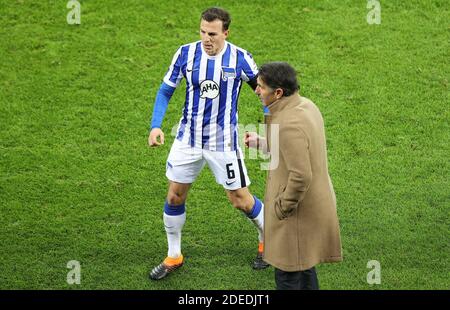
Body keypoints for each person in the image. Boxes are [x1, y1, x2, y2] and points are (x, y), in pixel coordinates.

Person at [148, 7, 268, 280]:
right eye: (203, 32)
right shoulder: (185, 54)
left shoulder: (240, 58)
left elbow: (264, 92)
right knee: (174, 195)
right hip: (187, 139)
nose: (206, 39)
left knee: (240, 200)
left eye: (212, 34)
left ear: (226, 32)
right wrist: (156, 125)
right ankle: (174, 255)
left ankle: (268, 237)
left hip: (223, 142)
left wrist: (270, 129)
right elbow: (166, 90)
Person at [244, 62, 342, 290]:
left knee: (288, 276)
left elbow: (300, 175)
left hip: (296, 213)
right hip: (313, 206)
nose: (257, 91)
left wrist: (282, 207)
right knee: (305, 267)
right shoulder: (306, 106)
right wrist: (261, 143)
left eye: (260, 87)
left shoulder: (288, 123)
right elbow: (296, 149)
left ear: (278, 92)